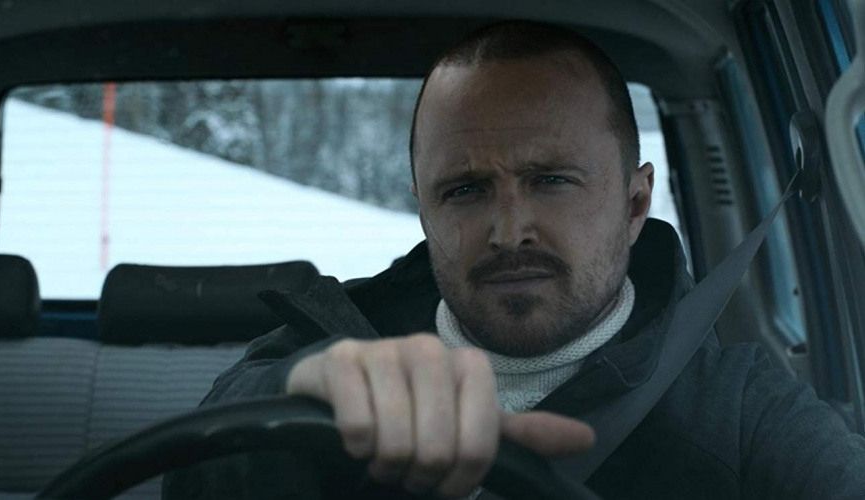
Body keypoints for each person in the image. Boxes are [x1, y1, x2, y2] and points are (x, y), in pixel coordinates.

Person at [163, 21, 865, 499]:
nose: (508, 230)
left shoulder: (738, 409)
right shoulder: (326, 348)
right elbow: (199, 473)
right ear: (423, 209)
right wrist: (299, 405)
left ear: (633, 203)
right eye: (465, 190)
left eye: (550, 180)